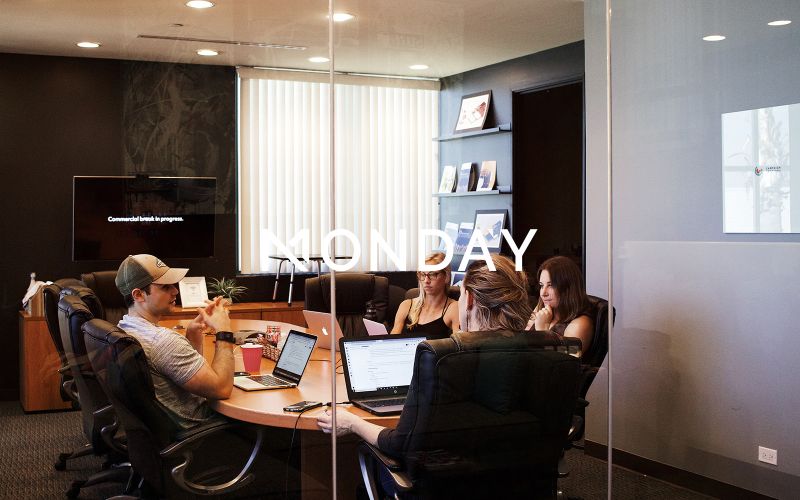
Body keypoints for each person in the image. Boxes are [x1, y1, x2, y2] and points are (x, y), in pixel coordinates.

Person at [317, 254, 531, 454]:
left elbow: (399, 443)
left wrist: (351, 422)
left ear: (470, 299)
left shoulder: (445, 362)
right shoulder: (540, 351)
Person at [115, 254, 235, 429]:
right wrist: (224, 331)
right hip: (203, 429)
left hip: (161, 430)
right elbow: (221, 389)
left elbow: (182, 374)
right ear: (139, 295)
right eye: (165, 287)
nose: (175, 291)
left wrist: (193, 333)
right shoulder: (162, 341)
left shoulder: (124, 327)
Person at [527, 256, 593, 356]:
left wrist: (542, 331)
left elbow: (565, 359)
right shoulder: (542, 308)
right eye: (541, 285)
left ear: (568, 288)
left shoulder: (581, 323)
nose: (543, 293)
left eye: (551, 285)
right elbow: (522, 343)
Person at [390, 252, 459, 338]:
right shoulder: (406, 305)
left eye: (432, 274)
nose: (426, 280)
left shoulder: (454, 307)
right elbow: (392, 342)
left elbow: (460, 343)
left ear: (446, 277)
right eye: (422, 274)